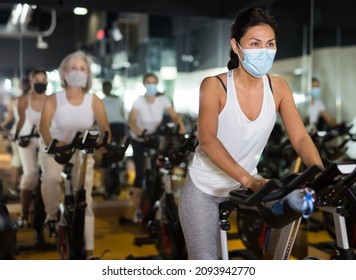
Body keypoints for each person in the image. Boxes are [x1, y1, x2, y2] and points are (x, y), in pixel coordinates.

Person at [178, 7, 324, 260]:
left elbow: (299, 137)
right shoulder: (215, 86)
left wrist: (320, 172)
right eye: (255, 44)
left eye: (270, 44)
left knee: (284, 229)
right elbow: (208, 140)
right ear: (236, 46)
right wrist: (248, 180)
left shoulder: (278, 87)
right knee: (206, 266)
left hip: (249, 185)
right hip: (206, 188)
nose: (264, 51)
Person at [38, 50, 111, 259]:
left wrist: (104, 142)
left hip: (82, 152)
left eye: (82, 68)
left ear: (88, 74)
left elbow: (105, 127)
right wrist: (53, 142)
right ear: (63, 72)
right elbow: (44, 127)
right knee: (51, 178)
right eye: (73, 68)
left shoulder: (94, 100)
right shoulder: (54, 99)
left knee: (84, 198)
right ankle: (51, 216)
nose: (77, 72)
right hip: (56, 148)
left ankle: (89, 251)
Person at [127, 72, 186, 223]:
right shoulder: (139, 102)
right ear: (144, 84)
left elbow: (174, 115)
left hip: (154, 137)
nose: (151, 84)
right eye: (148, 82)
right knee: (139, 173)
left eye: (154, 82)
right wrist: (138, 131)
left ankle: (158, 199)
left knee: (161, 166)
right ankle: (137, 209)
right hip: (139, 138)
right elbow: (132, 120)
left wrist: (181, 127)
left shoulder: (162, 100)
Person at [15, 69, 48, 228]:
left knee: (48, 175)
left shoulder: (50, 100)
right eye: (37, 79)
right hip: (26, 138)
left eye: (44, 79)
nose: (41, 82)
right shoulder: (23, 100)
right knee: (31, 174)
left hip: (44, 139)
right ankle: (23, 213)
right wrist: (15, 134)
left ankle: (48, 214)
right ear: (31, 82)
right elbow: (20, 121)